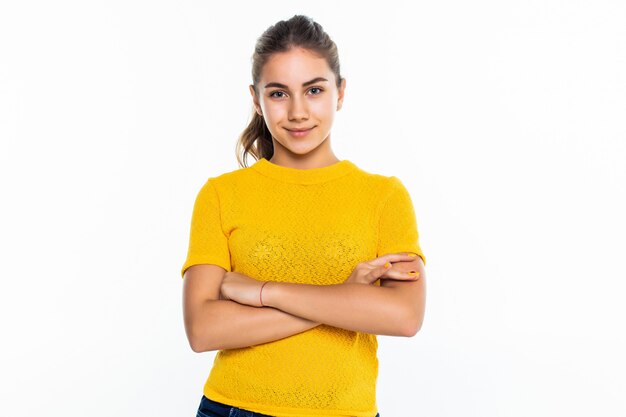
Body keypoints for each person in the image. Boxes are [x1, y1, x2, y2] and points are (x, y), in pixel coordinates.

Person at [181, 14, 427, 417]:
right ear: (256, 99)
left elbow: (404, 317)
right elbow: (203, 329)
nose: (297, 111)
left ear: (340, 92)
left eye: (313, 90)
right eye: (278, 93)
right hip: (235, 408)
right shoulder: (221, 194)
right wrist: (346, 298)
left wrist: (264, 292)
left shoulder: (384, 195)